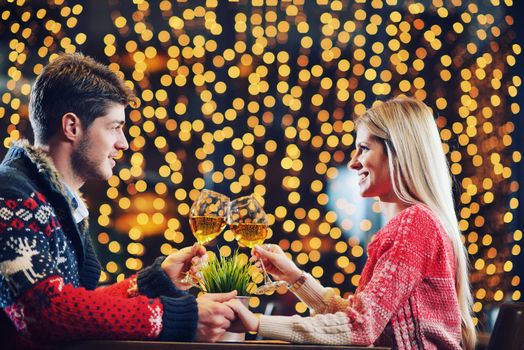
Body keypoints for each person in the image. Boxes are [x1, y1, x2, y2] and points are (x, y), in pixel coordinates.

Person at [0, 53, 236, 348]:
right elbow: (45, 312)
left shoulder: (55, 202)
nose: (123, 143)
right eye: (114, 127)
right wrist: (180, 318)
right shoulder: (11, 196)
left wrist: (154, 281)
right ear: (72, 127)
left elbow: (80, 311)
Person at [226, 97, 477, 349]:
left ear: (398, 151)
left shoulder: (414, 224)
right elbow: (363, 317)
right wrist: (295, 277)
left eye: (364, 148)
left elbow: (361, 326)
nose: (353, 162)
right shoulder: (418, 222)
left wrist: (257, 322)